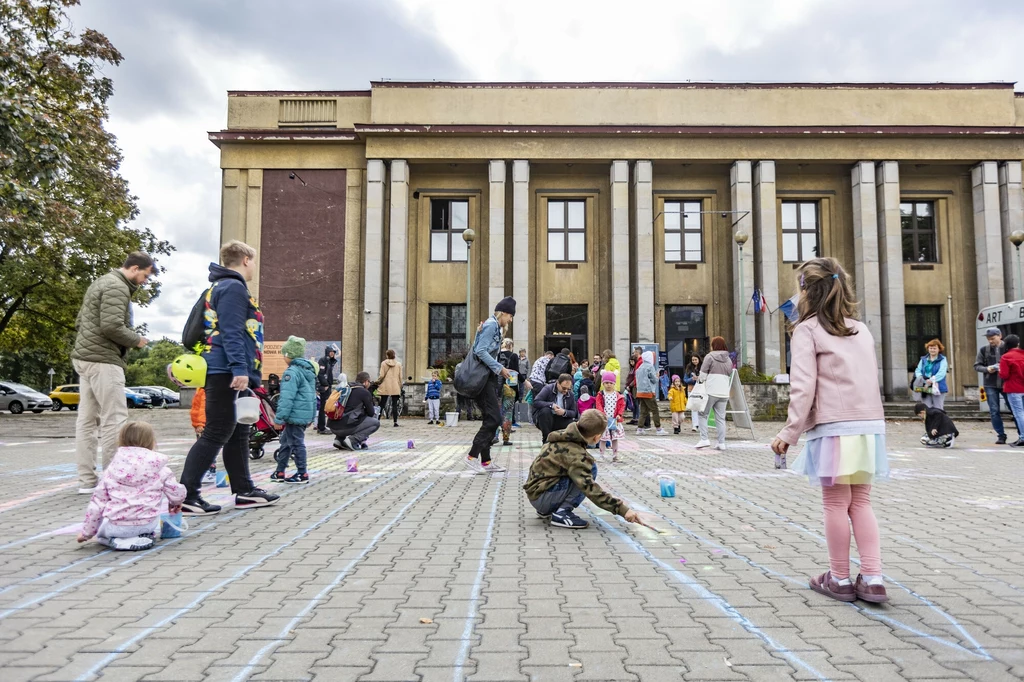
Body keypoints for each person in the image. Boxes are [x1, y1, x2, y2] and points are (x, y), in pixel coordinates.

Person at [771, 257, 890, 604]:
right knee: (862, 502)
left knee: (836, 504)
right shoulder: (860, 329)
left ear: (807, 291)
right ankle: (873, 576)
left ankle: (838, 578)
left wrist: (788, 433)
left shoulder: (806, 330)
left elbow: (803, 387)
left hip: (835, 426)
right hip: (869, 426)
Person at [179, 241, 279, 516]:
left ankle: (244, 491)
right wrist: (239, 370)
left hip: (230, 369)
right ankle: (187, 495)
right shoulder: (233, 288)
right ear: (246, 259)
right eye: (254, 261)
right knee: (218, 431)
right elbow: (232, 332)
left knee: (239, 432)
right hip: (227, 371)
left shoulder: (221, 287)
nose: (254, 267)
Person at [71, 252, 154, 493]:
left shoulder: (101, 281)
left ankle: (87, 481)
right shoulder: (118, 287)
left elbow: (80, 322)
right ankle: (114, 479)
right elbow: (111, 326)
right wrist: (137, 340)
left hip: (84, 357)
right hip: (103, 360)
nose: (144, 281)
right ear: (135, 268)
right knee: (114, 419)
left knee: (86, 421)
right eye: (145, 276)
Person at [523, 409, 643, 529]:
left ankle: (548, 509)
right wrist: (623, 510)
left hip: (536, 495)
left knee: (578, 471)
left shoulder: (562, 435)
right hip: (544, 499)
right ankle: (562, 512)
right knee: (590, 469)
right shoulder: (578, 455)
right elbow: (590, 488)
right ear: (597, 438)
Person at [77, 422, 186, 551]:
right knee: (142, 526)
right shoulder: (159, 467)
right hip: (147, 523)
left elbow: (97, 504)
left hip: (117, 525)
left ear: (121, 440)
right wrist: (175, 502)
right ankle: (142, 536)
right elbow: (177, 492)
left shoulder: (112, 469)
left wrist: (86, 533)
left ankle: (116, 540)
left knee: (102, 532)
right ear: (151, 441)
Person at [463, 297, 517, 474]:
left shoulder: (492, 326)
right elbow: (479, 351)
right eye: (510, 316)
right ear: (505, 313)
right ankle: (472, 456)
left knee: (490, 418)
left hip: (488, 378)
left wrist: (499, 368)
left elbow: (480, 346)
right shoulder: (491, 325)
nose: (510, 320)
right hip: (483, 379)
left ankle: (486, 461)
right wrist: (499, 367)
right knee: (494, 419)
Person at [269, 336, 316, 484]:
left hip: (294, 414)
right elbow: (313, 396)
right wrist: (312, 416)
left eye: (284, 354)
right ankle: (280, 471)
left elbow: (286, 398)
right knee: (285, 442)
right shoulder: (307, 371)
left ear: (289, 355)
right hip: (302, 413)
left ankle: (302, 473)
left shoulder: (292, 372)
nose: (283, 357)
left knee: (296, 443)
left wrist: (279, 418)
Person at [975, 327, 1016, 444]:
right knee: (994, 410)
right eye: (989, 339)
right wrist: (987, 369)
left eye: (993, 338)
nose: (990, 341)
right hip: (990, 384)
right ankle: (1001, 435)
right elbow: (977, 365)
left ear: (1000, 336)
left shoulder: (1009, 349)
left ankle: (1021, 433)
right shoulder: (984, 350)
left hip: (1007, 383)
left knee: (1014, 409)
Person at [696, 338, 732, 451]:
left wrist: (700, 381)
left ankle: (704, 439)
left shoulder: (709, 357)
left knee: (702, 414)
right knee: (720, 418)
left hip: (711, 390)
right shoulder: (728, 359)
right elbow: (730, 373)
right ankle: (721, 442)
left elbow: (702, 374)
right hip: (724, 392)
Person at [329, 372, 380, 449]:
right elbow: (371, 413)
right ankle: (352, 440)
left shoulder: (346, 388)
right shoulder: (364, 392)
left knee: (346, 414)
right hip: (346, 428)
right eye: (369, 382)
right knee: (375, 423)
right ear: (366, 382)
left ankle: (339, 440)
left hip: (333, 426)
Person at [533, 373, 580, 444]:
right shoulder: (548, 389)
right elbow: (536, 402)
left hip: (561, 419)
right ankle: (546, 439)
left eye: (568, 389)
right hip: (546, 419)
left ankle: (566, 442)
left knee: (573, 424)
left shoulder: (571, 394)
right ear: (558, 383)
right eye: (564, 388)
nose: (566, 391)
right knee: (545, 411)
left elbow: (574, 412)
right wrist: (551, 405)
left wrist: (564, 412)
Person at [999, 334, 1024, 447]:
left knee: (1019, 414)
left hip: (1013, 388)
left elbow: (1004, 375)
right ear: (1018, 344)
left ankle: (1023, 437)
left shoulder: (1006, 357)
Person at [189, 387, 216, 485]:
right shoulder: (200, 389)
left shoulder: (205, 390)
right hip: (200, 425)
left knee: (206, 449)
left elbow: (203, 409)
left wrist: (200, 423)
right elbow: (196, 408)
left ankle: (210, 473)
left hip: (204, 425)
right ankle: (205, 472)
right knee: (203, 450)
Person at [596, 372, 626, 462]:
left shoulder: (617, 395)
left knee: (615, 438)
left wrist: (619, 414)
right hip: (604, 420)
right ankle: (601, 455)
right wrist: (602, 414)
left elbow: (621, 405)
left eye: (611, 383)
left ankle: (615, 455)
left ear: (614, 384)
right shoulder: (601, 394)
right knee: (603, 439)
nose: (609, 385)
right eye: (606, 383)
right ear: (603, 383)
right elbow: (599, 405)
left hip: (614, 420)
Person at [635, 351, 667, 436]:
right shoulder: (650, 367)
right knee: (655, 410)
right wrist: (657, 376)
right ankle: (658, 428)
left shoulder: (640, 367)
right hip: (648, 392)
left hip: (640, 392)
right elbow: (654, 380)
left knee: (643, 411)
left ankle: (640, 428)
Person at [913, 339, 948, 411]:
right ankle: (929, 422)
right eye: (930, 348)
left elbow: (942, 373)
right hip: (925, 387)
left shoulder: (943, 359)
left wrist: (931, 380)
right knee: (926, 408)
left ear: (939, 349)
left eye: (934, 348)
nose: (932, 350)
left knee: (938, 408)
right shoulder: (923, 359)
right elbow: (918, 370)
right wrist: (921, 378)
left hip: (938, 387)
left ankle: (938, 422)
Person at [315, 344, 339, 434]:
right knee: (323, 407)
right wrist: (325, 385)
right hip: (324, 387)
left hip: (327, 386)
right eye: (331, 352)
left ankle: (323, 426)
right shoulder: (323, 360)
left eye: (333, 352)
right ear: (327, 352)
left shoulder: (329, 361)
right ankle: (321, 428)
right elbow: (321, 374)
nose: (332, 354)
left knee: (326, 406)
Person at [377, 349, 403, 427]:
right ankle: (395, 421)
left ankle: (377, 420)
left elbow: (381, 375)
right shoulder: (398, 364)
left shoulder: (383, 363)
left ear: (387, 355)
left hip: (385, 385)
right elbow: (400, 377)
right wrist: (400, 385)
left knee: (382, 404)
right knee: (394, 404)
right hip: (395, 385)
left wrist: (378, 381)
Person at [683, 355, 701, 432]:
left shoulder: (703, 367)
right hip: (691, 389)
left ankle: (701, 425)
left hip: (701, 389)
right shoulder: (689, 368)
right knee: (693, 408)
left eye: (695, 359)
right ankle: (695, 425)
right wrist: (692, 378)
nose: (694, 361)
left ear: (699, 359)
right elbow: (685, 380)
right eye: (693, 360)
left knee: (701, 407)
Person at [625, 346, 643, 424]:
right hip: (632, 387)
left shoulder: (639, 363)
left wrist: (630, 385)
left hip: (635, 386)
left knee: (636, 403)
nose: (631, 363)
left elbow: (636, 377)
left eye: (635, 352)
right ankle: (634, 418)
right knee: (633, 403)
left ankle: (637, 418)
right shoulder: (632, 368)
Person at [516, 349, 531, 425]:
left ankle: (520, 400)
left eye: (524, 352)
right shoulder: (517, 358)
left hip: (523, 375)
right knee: (517, 388)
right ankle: (517, 399)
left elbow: (529, 368)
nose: (523, 353)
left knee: (522, 389)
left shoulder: (527, 360)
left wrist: (528, 377)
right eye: (521, 352)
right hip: (516, 375)